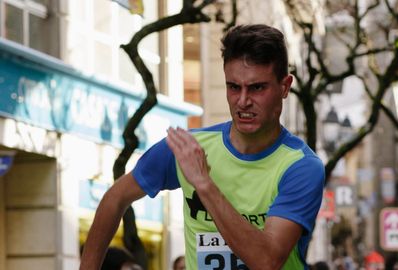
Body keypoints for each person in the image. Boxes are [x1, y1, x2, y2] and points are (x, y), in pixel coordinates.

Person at [80, 24, 325, 270]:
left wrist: (204, 184)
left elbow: (267, 261)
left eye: (257, 88)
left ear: (284, 87)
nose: (243, 101)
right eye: (233, 87)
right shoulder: (189, 147)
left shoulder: (301, 166)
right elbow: (115, 198)